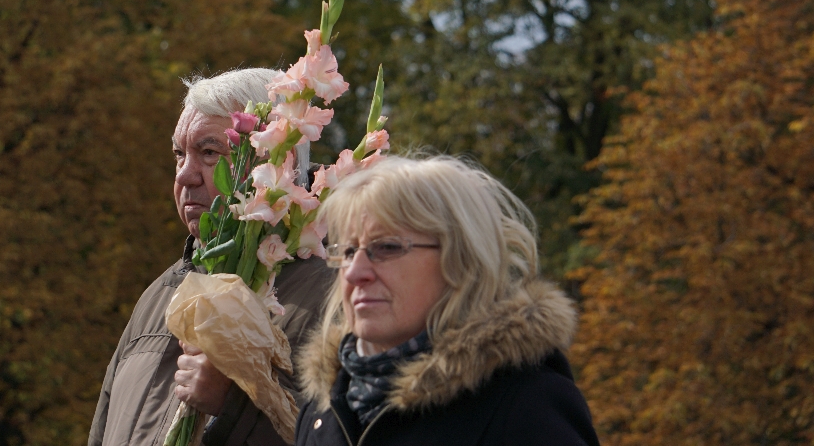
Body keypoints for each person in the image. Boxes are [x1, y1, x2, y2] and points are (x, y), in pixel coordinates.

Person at [89, 68, 334, 446]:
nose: (185, 176)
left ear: (276, 160)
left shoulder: (341, 295)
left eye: (209, 153)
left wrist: (234, 404)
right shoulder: (158, 296)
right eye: (178, 154)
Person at [295, 155, 600, 446]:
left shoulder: (525, 406)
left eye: (387, 247)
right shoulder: (322, 407)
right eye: (348, 252)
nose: (356, 272)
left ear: (461, 261)